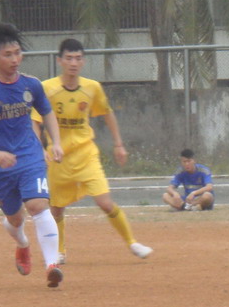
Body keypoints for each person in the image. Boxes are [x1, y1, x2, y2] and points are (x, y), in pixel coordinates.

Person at [0, 24, 67, 288]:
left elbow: (47, 112)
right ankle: (22, 243)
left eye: (18, 53)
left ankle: (52, 265)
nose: (15, 59)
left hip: (30, 156)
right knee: (15, 218)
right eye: (8, 54)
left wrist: (56, 142)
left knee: (38, 205)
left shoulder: (31, 84)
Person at [33, 38, 152, 264]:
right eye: (69, 58)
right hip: (58, 158)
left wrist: (118, 144)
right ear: (59, 61)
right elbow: (35, 121)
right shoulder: (47, 88)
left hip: (86, 154)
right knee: (56, 209)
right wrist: (39, 149)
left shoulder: (92, 87)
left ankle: (132, 242)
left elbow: (107, 113)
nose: (73, 63)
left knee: (105, 202)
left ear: (83, 62)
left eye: (78, 58)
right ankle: (60, 251)